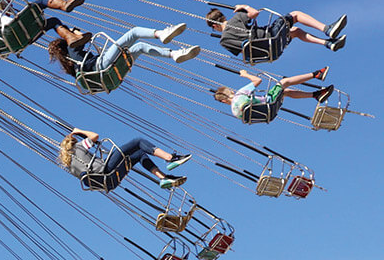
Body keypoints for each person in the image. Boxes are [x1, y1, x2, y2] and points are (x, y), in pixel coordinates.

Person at [48, 23, 201, 78]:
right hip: (101, 65)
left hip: (104, 73)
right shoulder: (72, 46)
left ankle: (174, 54)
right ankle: (161, 33)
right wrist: (73, 31)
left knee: (139, 47)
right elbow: (85, 36)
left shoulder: (72, 63)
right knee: (134, 33)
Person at [59, 128, 191, 190]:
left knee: (139, 154)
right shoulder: (78, 147)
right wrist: (78, 131)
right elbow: (95, 136)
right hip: (106, 170)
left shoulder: (69, 165)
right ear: (72, 142)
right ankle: (170, 158)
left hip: (108, 182)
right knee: (138, 141)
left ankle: (164, 178)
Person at [205, 4, 346, 55]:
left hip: (267, 51)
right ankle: (326, 29)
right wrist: (244, 6)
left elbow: (244, 51)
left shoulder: (224, 41)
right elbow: (255, 13)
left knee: (295, 31)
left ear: (214, 26)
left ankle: (329, 43)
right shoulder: (236, 19)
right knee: (295, 15)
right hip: (270, 37)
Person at [213, 67, 333, 120]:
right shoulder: (240, 94)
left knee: (285, 92)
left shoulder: (235, 113)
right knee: (284, 82)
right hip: (269, 102)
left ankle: (316, 95)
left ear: (223, 101)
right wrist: (245, 74)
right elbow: (258, 80)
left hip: (268, 113)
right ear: (231, 92)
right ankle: (316, 74)